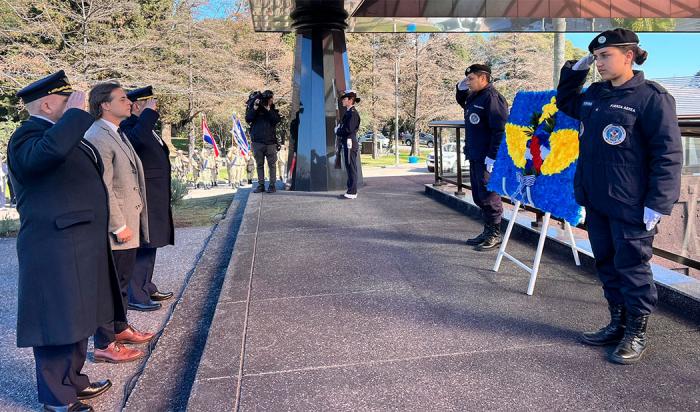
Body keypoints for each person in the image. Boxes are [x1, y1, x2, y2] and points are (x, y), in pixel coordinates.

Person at [556, 28, 682, 364]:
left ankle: (636, 331)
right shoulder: (594, 94)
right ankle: (617, 322)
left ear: (629, 56)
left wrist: (659, 202)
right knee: (608, 265)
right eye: (596, 57)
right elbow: (566, 102)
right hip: (598, 200)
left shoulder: (651, 98)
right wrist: (575, 71)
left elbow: (667, 154)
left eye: (605, 56)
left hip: (632, 205)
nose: (599, 63)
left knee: (632, 268)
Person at [8, 71, 122, 411]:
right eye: (66, 100)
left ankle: (74, 380)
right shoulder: (26, 135)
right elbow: (43, 157)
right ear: (47, 103)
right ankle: (57, 398)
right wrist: (74, 117)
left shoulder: (59, 133)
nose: (75, 105)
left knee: (79, 318)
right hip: (54, 246)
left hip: (77, 242)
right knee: (56, 322)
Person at [85, 82, 155, 363]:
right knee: (109, 285)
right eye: (123, 99)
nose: (130, 103)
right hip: (118, 227)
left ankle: (120, 327)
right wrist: (118, 224)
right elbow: (104, 187)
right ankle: (104, 343)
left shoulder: (115, 132)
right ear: (105, 104)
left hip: (129, 220)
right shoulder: (99, 135)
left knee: (122, 281)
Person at [120, 86, 175, 312]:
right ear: (136, 106)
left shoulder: (145, 125)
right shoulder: (129, 126)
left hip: (155, 194)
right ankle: (137, 295)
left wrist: (148, 117)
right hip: (143, 196)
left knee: (152, 242)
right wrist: (147, 116)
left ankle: (146, 285)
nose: (154, 107)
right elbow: (136, 140)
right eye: (148, 103)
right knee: (144, 243)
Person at [455, 64, 508, 251]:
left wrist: (493, 157)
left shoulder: (492, 98)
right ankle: (487, 230)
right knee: (479, 195)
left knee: (489, 195)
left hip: (487, 156)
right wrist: (460, 87)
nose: (468, 83)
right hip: (475, 153)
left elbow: (500, 130)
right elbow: (463, 101)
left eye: (471, 79)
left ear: (483, 79)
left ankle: (495, 233)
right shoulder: (475, 97)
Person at [245, 90, 281, 193]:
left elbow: (276, 120)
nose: (270, 101)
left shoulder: (272, 110)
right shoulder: (255, 110)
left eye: (271, 99)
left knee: (272, 165)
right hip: (257, 142)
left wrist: (268, 109)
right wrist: (255, 107)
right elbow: (248, 118)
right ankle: (261, 185)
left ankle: (272, 185)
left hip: (270, 142)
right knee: (259, 164)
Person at [335, 90, 361, 199]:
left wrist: (338, 131)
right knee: (349, 166)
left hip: (350, 142)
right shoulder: (349, 112)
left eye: (345, 99)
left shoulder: (353, 113)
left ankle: (352, 191)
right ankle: (350, 190)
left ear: (350, 100)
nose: (343, 101)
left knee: (351, 167)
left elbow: (348, 129)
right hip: (348, 142)